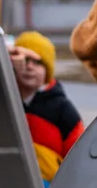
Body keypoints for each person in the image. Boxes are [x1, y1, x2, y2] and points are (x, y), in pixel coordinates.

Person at [9, 30, 83, 179]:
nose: (29, 67)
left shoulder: (62, 109)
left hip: (49, 186)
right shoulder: (3, 99)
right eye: (24, 60)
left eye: (38, 62)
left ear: (47, 71)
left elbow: (79, 155)